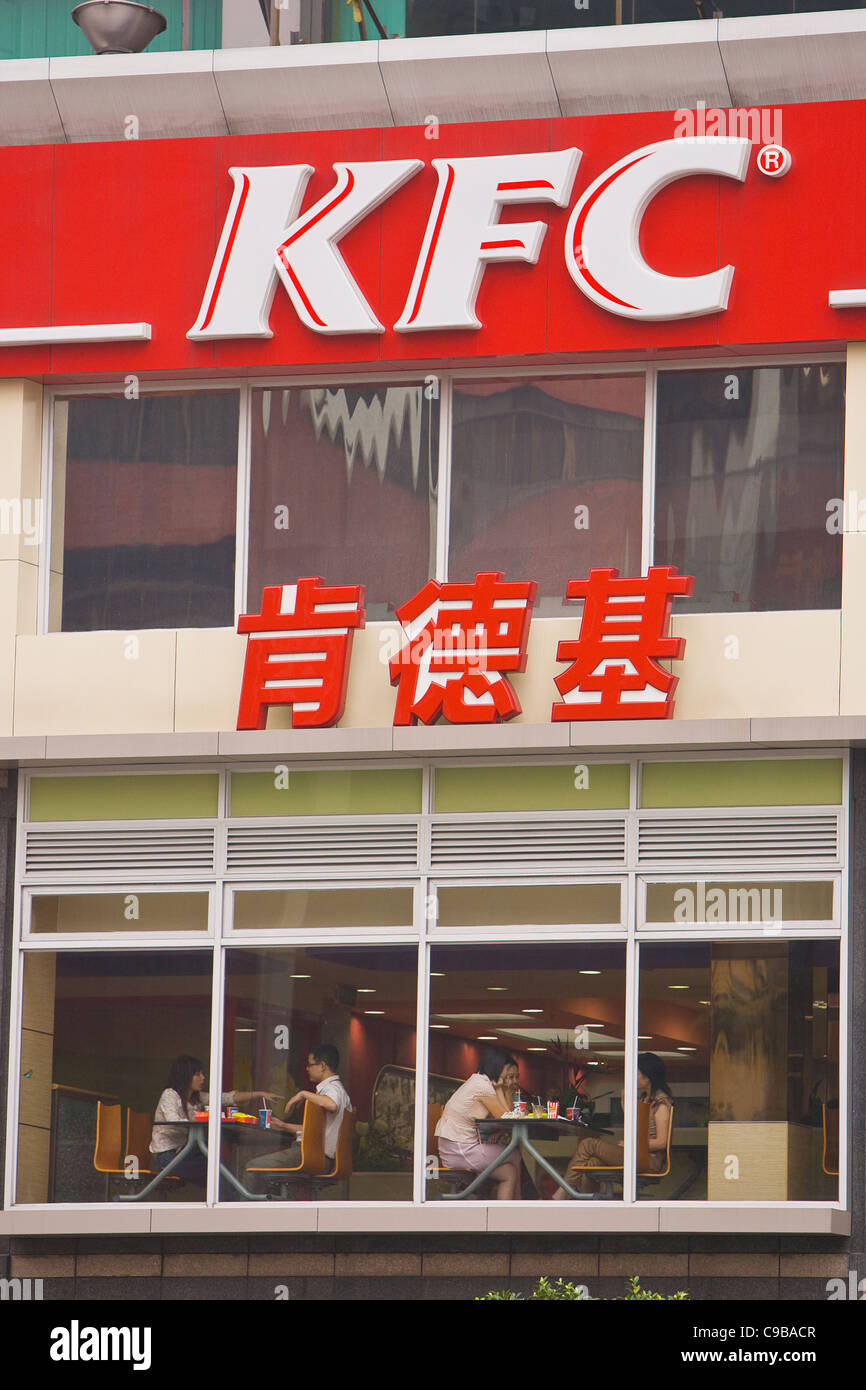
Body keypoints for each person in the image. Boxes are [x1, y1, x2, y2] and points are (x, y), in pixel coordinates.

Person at [552, 1051, 673, 1198]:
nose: (633, 1076)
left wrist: (631, 1145)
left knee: (588, 1143)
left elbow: (661, 1142)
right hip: (636, 1155)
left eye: (637, 1072)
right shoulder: (645, 1099)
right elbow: (637, 1129)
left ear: (648, 1076)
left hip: (649, 1161)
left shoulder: (661, 1104)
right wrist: (625, 1105)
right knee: (591, 1163)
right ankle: (589, 1207)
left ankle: (562, 1193)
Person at [149, 1054, 281, 1185]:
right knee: (216, 1169)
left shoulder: (196, 1098)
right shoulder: (170, 1094)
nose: (203, 1078)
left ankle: (230, 1200)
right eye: (198, 1074)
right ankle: (231, 1201)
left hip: (184, 1153)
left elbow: (227, 1098)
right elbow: (174, 1121)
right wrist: (202, 1120)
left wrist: (259, 1094)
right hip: (166, 1157)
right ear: (185, 1076)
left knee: (222, 1165)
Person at [245, 1044, 352, 1186]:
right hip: (320, 1157)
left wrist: (303, 1094)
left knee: (251, 1167)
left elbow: (332, 1104)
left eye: (310, 1064)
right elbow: (317, 1131)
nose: (307, 1068)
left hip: (312, 1156)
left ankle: (249, 1208)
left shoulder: (332, 1089)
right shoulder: (337, 1089)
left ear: (322, 1066)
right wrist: (283, 1125)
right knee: (267, 1174)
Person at [435, 1046, 522, 1200]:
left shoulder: (479, 1081)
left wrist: (503, 1089)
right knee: (514, 1154)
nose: (509, 1074)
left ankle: (509, 1214)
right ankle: (519, 1207)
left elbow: (505, 1116)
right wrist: (503, 1089)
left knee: (509, 1172)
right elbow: (505, 1117)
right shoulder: (482, 1087)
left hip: (457, 1147)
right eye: (507, 1068)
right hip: (460, 1150)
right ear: (496, 1066)